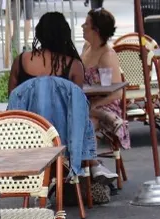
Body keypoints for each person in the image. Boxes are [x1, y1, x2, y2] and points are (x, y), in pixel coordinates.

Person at [81, 8, 129, 181]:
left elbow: (117, 93)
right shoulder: (86, 47)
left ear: (96, 30)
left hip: (104, 104)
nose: (82, 26)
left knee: (87, 122)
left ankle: (92, 166)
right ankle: (89, 168)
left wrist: (94, 105)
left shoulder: (107, 55)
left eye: (86, 24)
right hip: (86, 102)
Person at [7, 11, 85, 94]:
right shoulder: (74, 66)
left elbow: (12, 97)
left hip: (24, 107)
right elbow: (77, 101)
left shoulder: (21, 60)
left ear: (39, 33)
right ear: (65, 34)